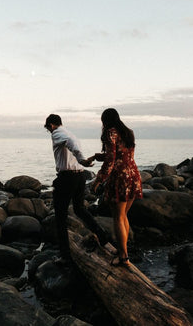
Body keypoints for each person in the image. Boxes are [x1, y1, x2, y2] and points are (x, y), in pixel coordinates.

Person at [44, 113, 110, 264]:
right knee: (80, 209)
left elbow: (70, 143)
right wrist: (82, 161)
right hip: (79, 176)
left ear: (52, 125)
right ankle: (102, 236)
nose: (49, 132)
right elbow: (72, 143)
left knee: (60, 217)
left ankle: (65, 256)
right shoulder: (68, 132)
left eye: (48, 129)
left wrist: (82, 160)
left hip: (67, 178)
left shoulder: (58, 133)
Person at [89, 108, 142, 268]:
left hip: (120, 178)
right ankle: (123, 251)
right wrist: (97, 156)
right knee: (123, 215)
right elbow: (121, 154)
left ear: (105, 121)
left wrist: (98, 179)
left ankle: (123, 256)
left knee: (118, 217)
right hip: (133, 175)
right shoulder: (128, 132)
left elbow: (112, 159)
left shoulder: (109, 133)